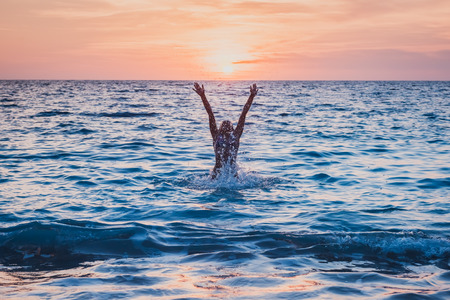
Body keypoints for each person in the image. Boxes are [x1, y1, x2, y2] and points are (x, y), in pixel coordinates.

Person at [193, 82, 258, 179]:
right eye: (224, 123)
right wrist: (202, 96)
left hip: (233, 173)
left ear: (232, 128)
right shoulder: (216, 135)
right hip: (217, 173)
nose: (226, 124)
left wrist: (252, 96)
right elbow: (210, 113)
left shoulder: (235, 136)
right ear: (220, 128)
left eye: (229, 124)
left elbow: (243, 114)